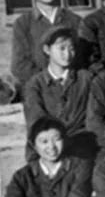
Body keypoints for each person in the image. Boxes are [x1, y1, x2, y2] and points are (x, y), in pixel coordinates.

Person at [23, 26, 94, 161]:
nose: (67, 54)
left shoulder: (86, 78)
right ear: (47, 50)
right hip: (49, 144)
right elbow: (36, 121)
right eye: (61, 48)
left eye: (71, 48)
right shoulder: (35, 84)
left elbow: (93, 116)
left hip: (81, 143)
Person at [11, 0, 81, 89]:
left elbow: (84, 57)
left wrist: (70, 80)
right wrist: (48, 81)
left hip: (72, 87)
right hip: (40, 89)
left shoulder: (74, 20)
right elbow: (19, 65)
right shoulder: (23, 23)